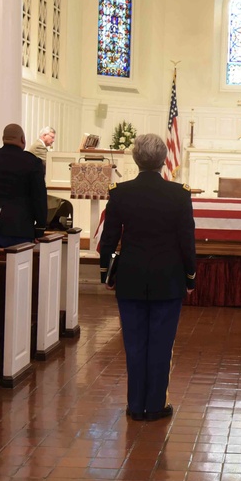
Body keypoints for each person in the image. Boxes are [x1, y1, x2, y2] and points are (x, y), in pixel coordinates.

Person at [98, 133, 197, 422]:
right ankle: (155, 405)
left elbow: (109, 240)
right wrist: (190, 278)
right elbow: (186, 242)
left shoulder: (120, 192)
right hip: (168, 279)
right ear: (164, 159)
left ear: (135, 158)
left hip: (130, 277)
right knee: (161, 345)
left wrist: (107, 274)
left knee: (134, 344)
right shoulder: (180, 194)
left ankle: (134, 405)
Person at [0, 124, 48, 249]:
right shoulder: (32, 162)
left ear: (3, 138)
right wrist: (40, 228)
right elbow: (39, 197)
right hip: (20, 227)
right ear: (22, 139)